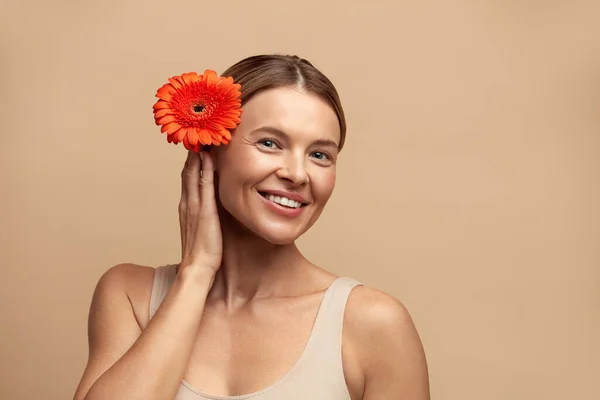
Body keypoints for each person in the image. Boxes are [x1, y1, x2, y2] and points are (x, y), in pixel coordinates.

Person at [73, 54, 430, 400]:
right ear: (209, 151)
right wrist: (196, 273)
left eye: (320, 154)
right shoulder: (129, 297)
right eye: (270, 143)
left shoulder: (373, 324)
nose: (297, 173)